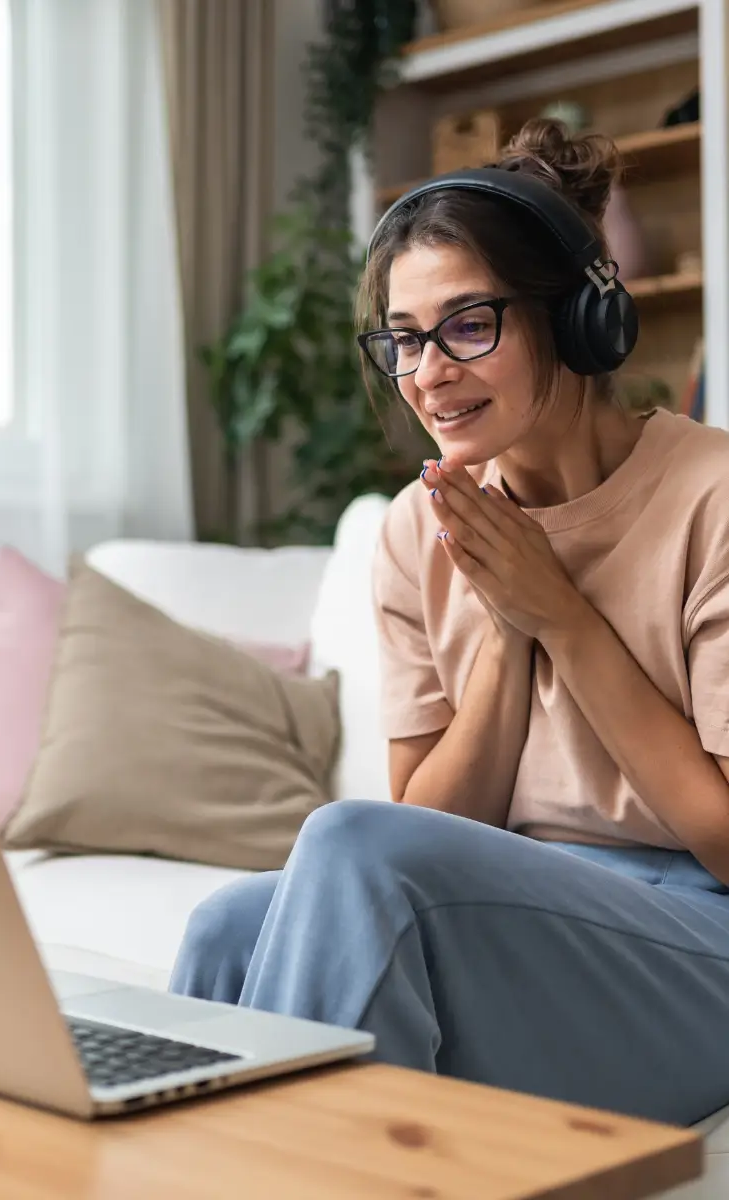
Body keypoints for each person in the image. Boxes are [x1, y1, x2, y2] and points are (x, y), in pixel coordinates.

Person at [168, 118, 729, 1126]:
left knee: (345, 845)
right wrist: (507, 626)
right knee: (228, 928)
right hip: (525, 909)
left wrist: (560, 615)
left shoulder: (711, 496)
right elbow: (434, 831)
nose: (427, 370)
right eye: (403, 337)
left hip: (702, 943)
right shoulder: (413, 533)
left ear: (576, 319)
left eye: (468, 323)